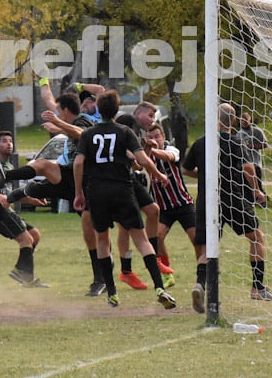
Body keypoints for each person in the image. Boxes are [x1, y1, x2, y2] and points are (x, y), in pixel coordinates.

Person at [73, 90, 176, 310]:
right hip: (122, 190)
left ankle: (111, 293)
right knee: (141, 239)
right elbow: (142, 160)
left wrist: (78, 193)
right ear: (117, 110)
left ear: (98, 110)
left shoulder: (88, 135)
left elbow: (78, 163)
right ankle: (159, 287)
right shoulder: (124, 131)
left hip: (97, 191)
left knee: (103, 239)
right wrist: (159, 176)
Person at [5, 90, 107, 296]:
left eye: (59, 112)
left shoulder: (83, 121)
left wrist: (58, 125)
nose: (57, 114)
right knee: (41, 172)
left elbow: (81, 134)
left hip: (86, 181)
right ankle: (6, 177)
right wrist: (44, 84)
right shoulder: (69, 122)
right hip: (70, 176)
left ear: (66, 111)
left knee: (91, 233)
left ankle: (101, 279)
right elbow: (51, 103)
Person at [182, 103, 272, 314]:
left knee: (207, 248)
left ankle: (200, 285)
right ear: (233, 121)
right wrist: (257, 191)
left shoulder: (200, 143)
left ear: (215, 118)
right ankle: (258, 287)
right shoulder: (235, 141)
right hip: (233, 197)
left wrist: (206, 175)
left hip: (208, 199)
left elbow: (186, 170)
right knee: (256, 237)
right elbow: (248, 167)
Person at [0, 131, 47, 287]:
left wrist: (33, 200)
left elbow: (10, 195)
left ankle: (21, 271)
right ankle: (27, 278)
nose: (9, 144)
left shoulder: (9, 167)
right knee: (26, 239)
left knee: (35, 235)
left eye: (10, 141)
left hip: (7, 211)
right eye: (4, 141)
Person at [113, 112, 169, 291]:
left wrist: (146, 149)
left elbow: (136, 165)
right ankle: (126, 271)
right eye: (150, 115)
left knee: (154, 210)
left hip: (131, 180)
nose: (152, 119)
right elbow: (140, 161)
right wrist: (159, 174)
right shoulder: (118, 137)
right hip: (117, 184)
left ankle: (153, 258)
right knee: (125, 227)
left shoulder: (129, 137)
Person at [144, 123, 200, 290]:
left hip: (183, 203)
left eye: (157, 136)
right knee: (157, 236)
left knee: (196, 239)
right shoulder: (145, 155)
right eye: (150, 138)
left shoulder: (172, 149)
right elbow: (138, 166)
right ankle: (168, 274)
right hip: (163, 208)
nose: (154, 140)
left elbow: (169, 157)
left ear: (163, 137)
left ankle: (202, 273)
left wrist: (152, 150)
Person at [234, 109, 268, 207]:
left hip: (255, 163)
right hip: (244, 164)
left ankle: (262, 203)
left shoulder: (256, 131)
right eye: (241, 120)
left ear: (250, 120)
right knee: (245, 185)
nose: (243, 122)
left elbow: (265, 144)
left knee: (258, 184)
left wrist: (252, 147)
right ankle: (249, 203)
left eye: (245, 120)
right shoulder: (239, 134)